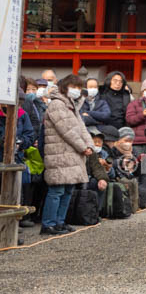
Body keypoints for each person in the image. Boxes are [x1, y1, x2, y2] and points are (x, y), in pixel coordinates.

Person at [40, 75, 94, 235]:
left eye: (79, 87)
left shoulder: (72, 105)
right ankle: (48, 223)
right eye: (74, 87)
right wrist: (83, 147)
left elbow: (82, 128)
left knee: (68, 190)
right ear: (65, 86)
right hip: (59, 153)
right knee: (57, 190)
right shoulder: (57, 104)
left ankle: (59, 221)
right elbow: (66, 130)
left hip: (72, 154)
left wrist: (89, 145)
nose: (77, 91)